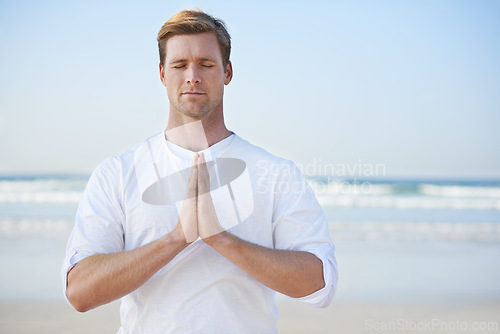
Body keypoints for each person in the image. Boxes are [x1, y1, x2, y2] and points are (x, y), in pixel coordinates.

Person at [62, 9, 338, 334]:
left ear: (227, 72)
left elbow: (321, 285)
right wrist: (175, 240)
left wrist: (222, 240)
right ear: (162, 73)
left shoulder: (275, 173)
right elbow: (79, 291)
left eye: (206, 64)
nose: (192, 75)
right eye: (180, 65)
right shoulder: (117, 173)